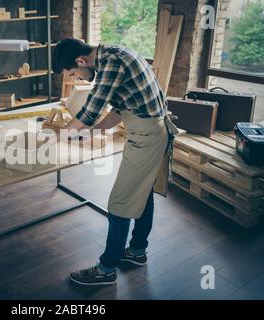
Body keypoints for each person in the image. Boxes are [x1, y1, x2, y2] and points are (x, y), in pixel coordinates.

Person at [52, 38, 176, 286]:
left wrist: (59, 137)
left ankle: (106, 269)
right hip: (148, 131)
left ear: (80, 60)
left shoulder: (111, 63)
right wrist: (96, 131)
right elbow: (119, 108)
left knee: (120, 203)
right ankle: (137, 251)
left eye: (74, 74)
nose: (77, 79)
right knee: (142, 194)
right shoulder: (113, 54)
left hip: (147, 136)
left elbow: (91, 108)